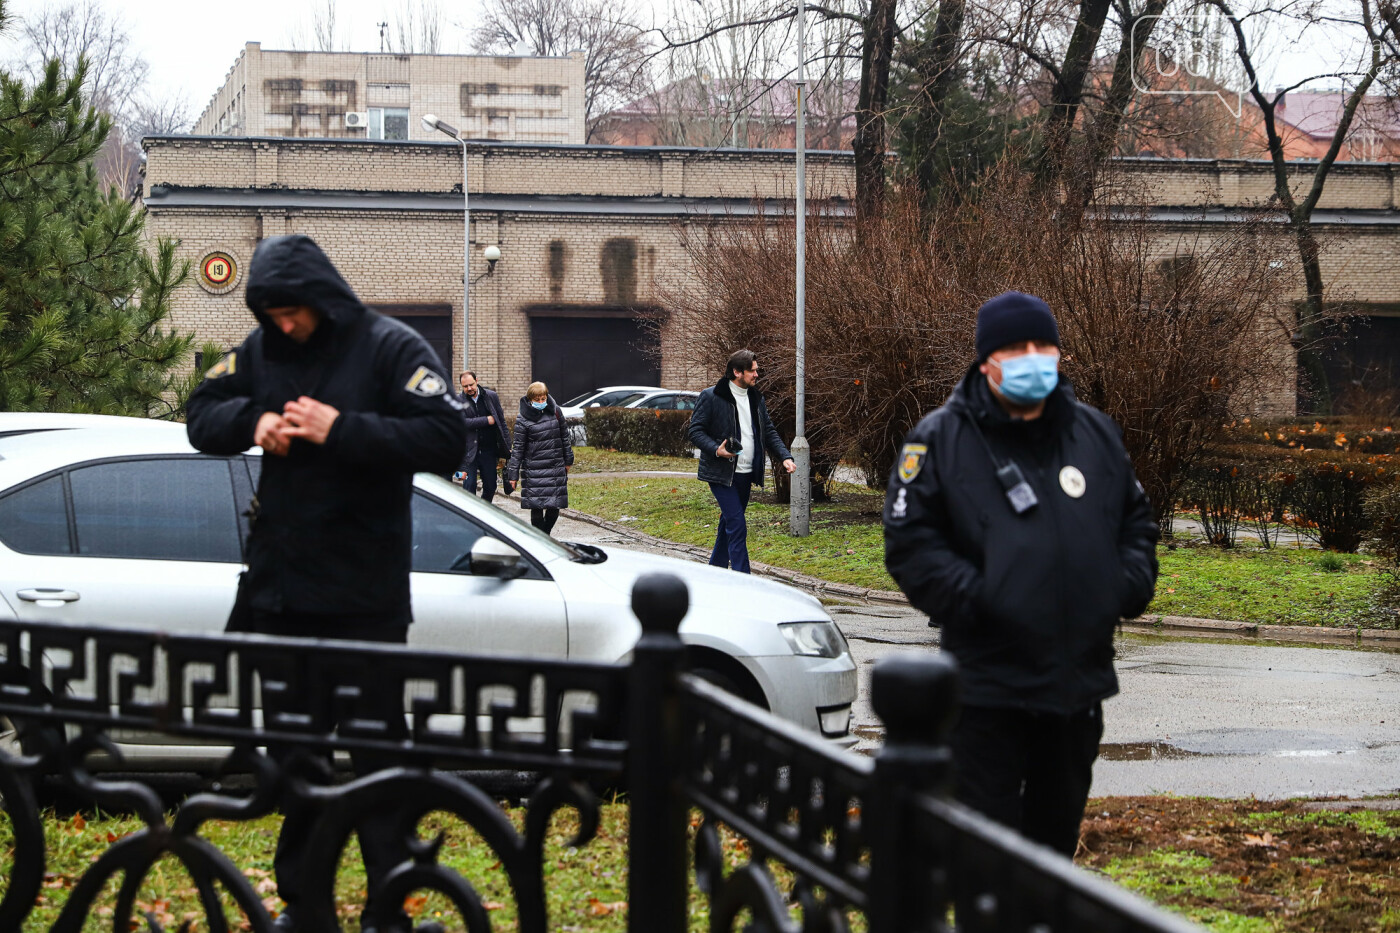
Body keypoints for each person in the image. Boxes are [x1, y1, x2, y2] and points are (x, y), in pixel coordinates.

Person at [185, 234, 466, 933]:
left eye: (292, 312)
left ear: (321, 297)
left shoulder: (389, 347)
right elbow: (199, 414)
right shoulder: (261, 350)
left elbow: (444, 438)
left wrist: (341, 428)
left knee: (378, 759)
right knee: (293, 758)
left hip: (363, 597)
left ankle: (387, 911)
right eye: (270, 312)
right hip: (281, 593)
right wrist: (253, 421)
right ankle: (304, 907)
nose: (283, 324)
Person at [882, 291, 1158, 859]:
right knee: (989, 858)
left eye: (1041, 345)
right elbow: (911, 546)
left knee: (1052, 853)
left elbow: (1137, 524)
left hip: (1076, 693)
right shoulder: (939, 439)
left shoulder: (1095, 435)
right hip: (987, 694)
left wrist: (1122, 587)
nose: (1032, 357)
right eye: (1014, 348)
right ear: (987, 360)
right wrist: (986, 598)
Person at [687, 349, 796, 573]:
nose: (757, 375)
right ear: (737, 372)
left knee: (728, 523)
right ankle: (743, 578)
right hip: (721, 473)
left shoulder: (756, 398)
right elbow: (695, 431)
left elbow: (769, 431)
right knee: (737, 525)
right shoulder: (711, 396)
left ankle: (714, 571)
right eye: (752, 371)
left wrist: (785, 456)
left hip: (746, 473)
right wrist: (717, 450)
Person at [505, 381, 573, 534]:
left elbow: (564, 437)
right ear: (530, 400)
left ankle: (545, 536)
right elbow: (518, 449)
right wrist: (513, 475)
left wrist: (568, 460)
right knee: (536, 506)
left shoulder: (555, 411)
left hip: (555, 466)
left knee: (554, 506)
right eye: (538, 400)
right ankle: (540, 538)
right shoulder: (523, 419)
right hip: (533, 469)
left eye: (543, 398)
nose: (542, 402)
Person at [455, 370, 510, 502]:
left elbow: (501, 421)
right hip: (469, 452)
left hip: (488, 450)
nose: (469, 388)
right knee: (469, 487)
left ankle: (483, 510)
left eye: (471, 385)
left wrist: (508, 445)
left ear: (477, 381)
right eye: (465, 386)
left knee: (491, 486)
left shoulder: (491, 396)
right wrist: (486, 420)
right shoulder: (458, 400)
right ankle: (470, 516)